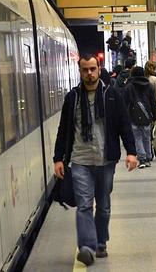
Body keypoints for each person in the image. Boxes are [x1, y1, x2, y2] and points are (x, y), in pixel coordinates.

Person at [53, 54, 138, 266]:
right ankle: (87, 247)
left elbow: (124, 125)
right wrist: (58, 159)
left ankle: (101, 242)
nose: (89, 73)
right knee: (83, 205)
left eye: (93, 69)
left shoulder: (112, 95)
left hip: (106, 160)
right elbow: (63, 130)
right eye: (85, 70)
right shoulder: (72, 98)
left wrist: (131, 152)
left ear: (99, 69)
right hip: (80, 160)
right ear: (80, 71)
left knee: (104, 205)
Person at [124, 66, 156, 169]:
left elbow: (125, 103)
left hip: (133, 116)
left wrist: (125, 117)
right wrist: (154, 115)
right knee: (147, 137)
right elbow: (153, 102)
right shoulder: (149, 85)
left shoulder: (129, 87)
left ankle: (142, 158)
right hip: (147, 115)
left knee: (137, 137)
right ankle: (148, 157)